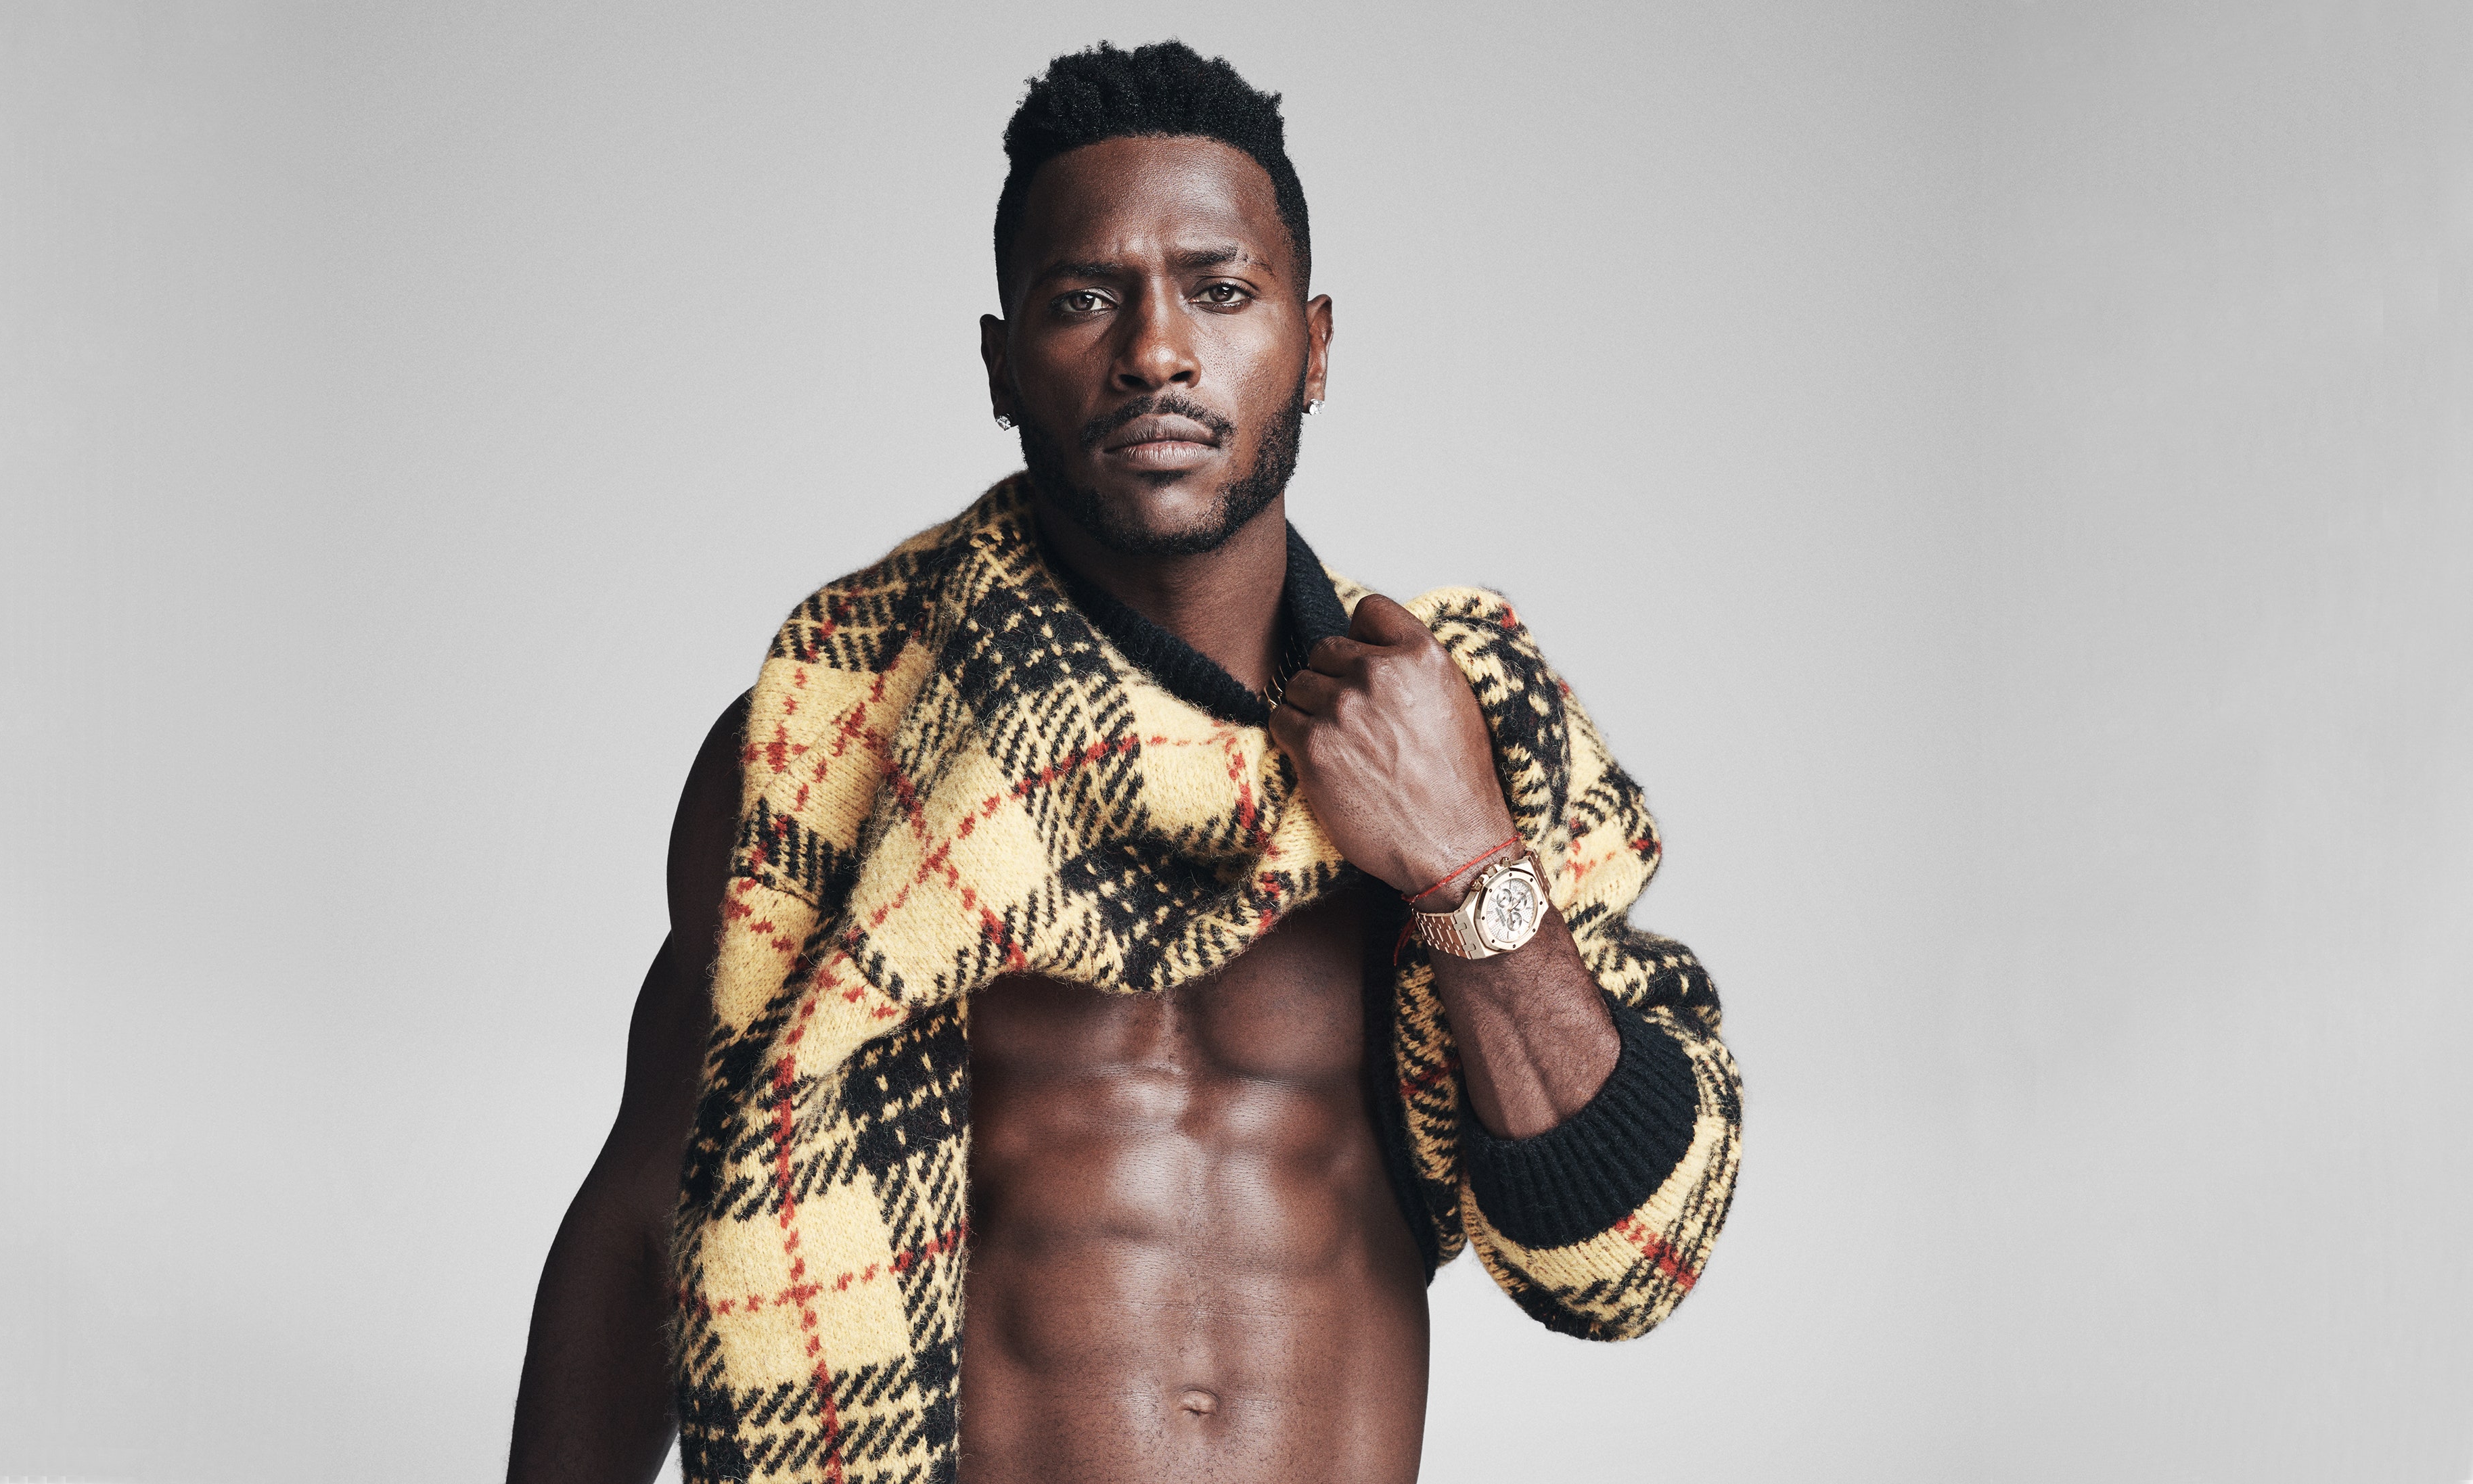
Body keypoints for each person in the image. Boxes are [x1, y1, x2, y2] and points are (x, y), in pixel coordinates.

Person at [507, 41, 1741, 1484]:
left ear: (1316, 346)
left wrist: (1465, 856)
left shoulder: (1456, 735)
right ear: (1000, 365)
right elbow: (650, 1211)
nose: (1157, 350)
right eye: (1086, 299)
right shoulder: (836, 751)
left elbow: (1627, 1256)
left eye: (1220, 290)